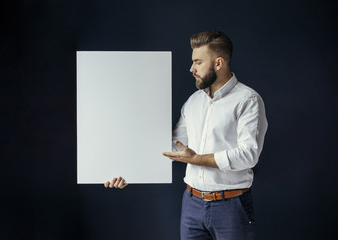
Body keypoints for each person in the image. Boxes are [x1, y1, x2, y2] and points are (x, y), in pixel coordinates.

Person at [105, 30, 268, 240]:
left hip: (231, 206)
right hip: (192, 204)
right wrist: (129, 172)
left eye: (198, 62)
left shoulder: (247, 100)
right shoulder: (193, 102)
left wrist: (197, 159)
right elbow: (174, 147)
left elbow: (248, 155)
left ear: (218, 63)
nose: (191, 69)